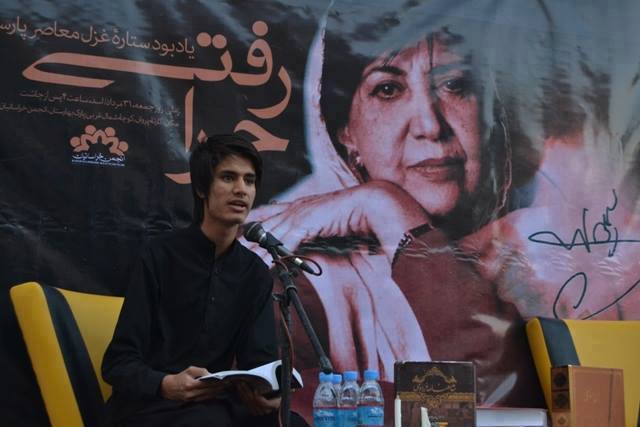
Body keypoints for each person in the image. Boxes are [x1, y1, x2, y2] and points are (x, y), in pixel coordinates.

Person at [102, 135, 284, 427]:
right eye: (228, 177)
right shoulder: (159, 257)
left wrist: (268, 393)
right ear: (201, 188)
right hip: (151, 407)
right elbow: (118, 363)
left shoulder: (255, 273)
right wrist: (166, 384)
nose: (241, 189)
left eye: (249, 181)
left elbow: (258, 364)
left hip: (216, 406)